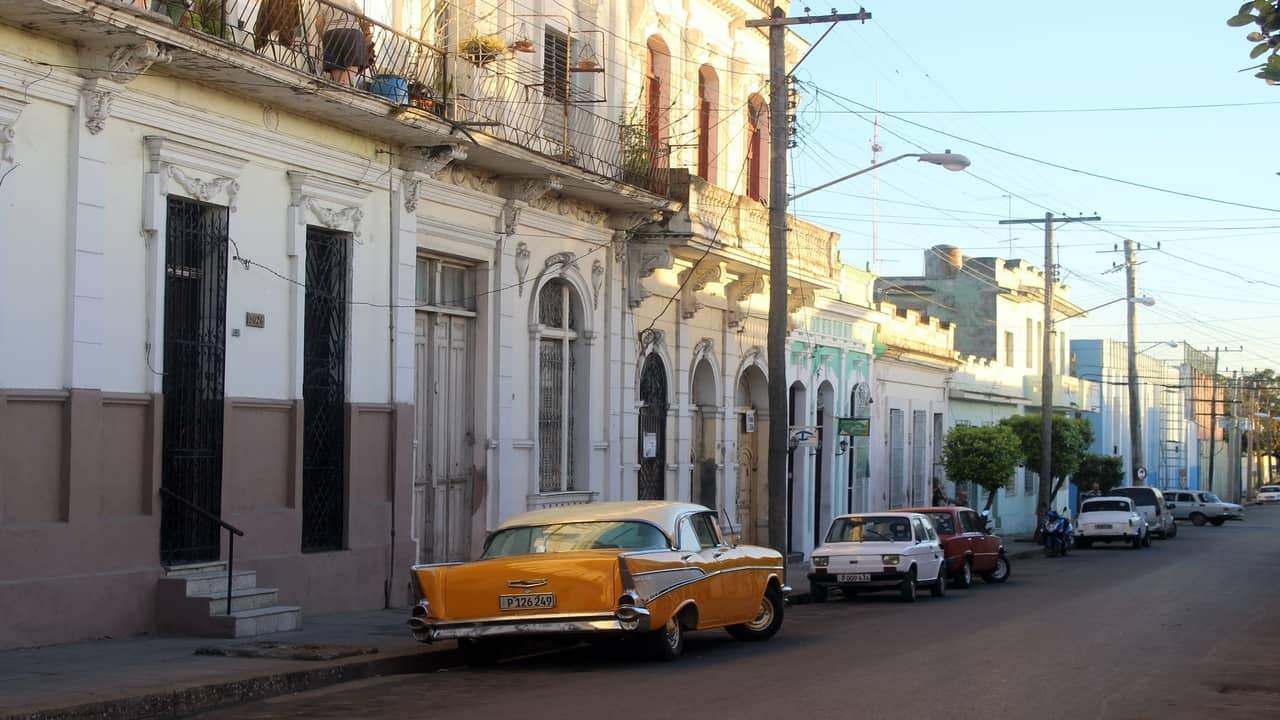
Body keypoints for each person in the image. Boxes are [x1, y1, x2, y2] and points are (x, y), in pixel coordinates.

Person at [315, 0, 370, 85]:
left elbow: (318, 23)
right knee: (354, 63)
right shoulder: (351, 2)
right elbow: (361, 19)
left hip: (331, 33)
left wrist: (324, 36)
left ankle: (339, 86)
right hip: (352, 32)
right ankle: (343, 83)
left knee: (335, 64)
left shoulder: (325, 3)